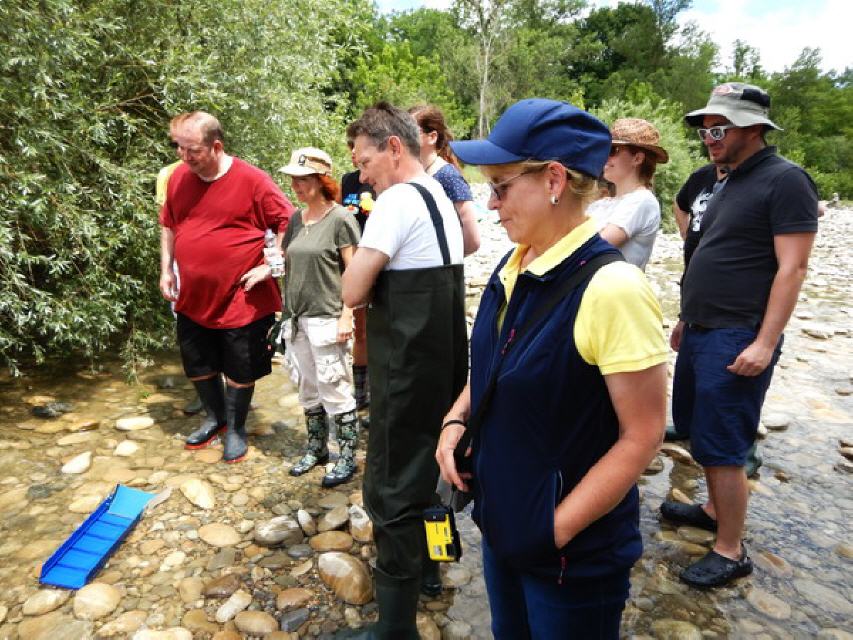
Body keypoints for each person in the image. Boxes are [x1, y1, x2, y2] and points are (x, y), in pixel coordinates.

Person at [437, 99, 668, 638]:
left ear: (554, 180)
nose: (491, 204)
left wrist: (552, 531)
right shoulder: (516, 263)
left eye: (500, 187)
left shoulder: (613, 289)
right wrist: (455, 420)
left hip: (570, 556)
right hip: (504, 526)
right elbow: (496, 364)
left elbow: (643, 435)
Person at [662, 82, 818, 588]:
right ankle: (713, 510)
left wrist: (765, 343)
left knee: (725, 442)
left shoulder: (786, 180)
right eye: (706, 129)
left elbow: (792, 269)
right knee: (697, 429)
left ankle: (731, 550)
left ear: (753, 128)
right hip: (702, 327)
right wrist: (686, 317)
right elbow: (709, 251)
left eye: (720, 128)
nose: (709, 137)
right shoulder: (725, 181)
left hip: (738, 333)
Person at [339, 102, 467, 639]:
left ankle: (394, 628)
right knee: (431, 475)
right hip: (445, 365)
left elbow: (352, 291)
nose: (362, 176)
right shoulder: (440, 192)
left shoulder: (395, 202)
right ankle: (431, 574)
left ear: (394, 148)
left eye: (364, 161)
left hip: (407, 369)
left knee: (392, 487)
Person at [159, 111, 294, 463]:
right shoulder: (178, 178)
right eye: (178, 148)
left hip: (241, 296)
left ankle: (235, 428)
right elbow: (169, 225)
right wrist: (166, 270)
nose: (184, 157)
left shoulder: (253, 180)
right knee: (198, 361)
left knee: (240, 366)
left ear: (216, 146)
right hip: (192, 293)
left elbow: (289, 221)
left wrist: (270, 266)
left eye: (192, 150)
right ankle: (214, 418)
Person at [278, 147, 361, 488]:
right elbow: (286, 263)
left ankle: (347, 457)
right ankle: (317, 449)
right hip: (297, 319)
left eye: (303, 179)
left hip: (328, 317)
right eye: (293, 180)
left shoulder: (341, 219)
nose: (296, 186)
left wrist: (347, 316)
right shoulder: (296, 220)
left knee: (336, 389)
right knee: (308, 388)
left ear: (322, 180)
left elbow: (354, 272)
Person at [587, 118, 667, 271]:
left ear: (637, 159)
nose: (605, 157)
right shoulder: (603, 202)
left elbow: (595, 248)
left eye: (613, 150)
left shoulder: (643, 200)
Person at [409, 105, 481, 256]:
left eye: (410, 131)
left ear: (432, 137)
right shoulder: (412, 174)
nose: (403, 138)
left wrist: (445, 260)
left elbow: (473, 240)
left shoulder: (448, 176)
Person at [340, 140, 375, 418]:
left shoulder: (380, 180)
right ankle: (361, 394)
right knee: (360, 331)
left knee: (381, 330)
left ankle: (380, 390)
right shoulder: (348, 181)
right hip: (356, 260)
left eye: (357, 147)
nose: (353, 152)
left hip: (380, 260)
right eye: (350, 147)